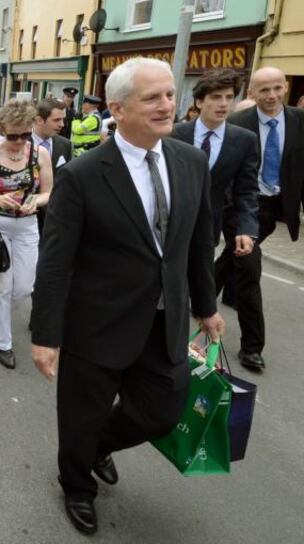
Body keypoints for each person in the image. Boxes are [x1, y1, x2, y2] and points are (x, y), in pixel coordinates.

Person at [30, 57, 224, 536]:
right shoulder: (83, 175)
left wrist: (206, 306)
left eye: (169, 95)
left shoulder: (191, 162)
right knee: (81, 414)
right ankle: (77, 485)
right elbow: (55, 263)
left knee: (163, 409)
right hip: (95, 324)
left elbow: (198, 244)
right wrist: (45, 335)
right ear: (117, 109)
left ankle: (97, 447)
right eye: (152, 97)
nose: (166, 105)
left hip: (165, 320)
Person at [227, 66, 304, 371]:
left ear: (286, 87)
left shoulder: (299, 121)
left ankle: (201, 293)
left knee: (236, 256)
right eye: (264, 90)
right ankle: (252, 347)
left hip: (273, 207)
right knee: (249, 268)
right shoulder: (237, 123)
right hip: (239, 207)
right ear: (252, 94)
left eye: (276, 88)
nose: (271, 96)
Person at [0, 100, 53, 369]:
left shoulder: (40, 154)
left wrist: (36, 202)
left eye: (24, 134)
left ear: (31, 128)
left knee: (25, 287)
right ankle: (3, 343)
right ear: (2, 129)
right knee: (3, 288)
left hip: (27, 226)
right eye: (11, 135)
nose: (18, 141)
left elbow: (49, 192)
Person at [172, 69, 260, 316]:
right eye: (216, 97)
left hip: (208, 226)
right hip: (169, 222)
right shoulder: (175, 134)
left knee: (194, 280)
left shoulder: (244, 140)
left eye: (229, 97)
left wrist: (246, 229)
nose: (224, 104)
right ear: (200, 102)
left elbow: (247, 191)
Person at [32, 98, 73, 234]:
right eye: (56, 120)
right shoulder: (20, 143)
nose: (62, 125)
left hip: (55, 217)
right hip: (27, 215)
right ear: (39, 120)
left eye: (63, 119)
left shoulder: (65, 145)